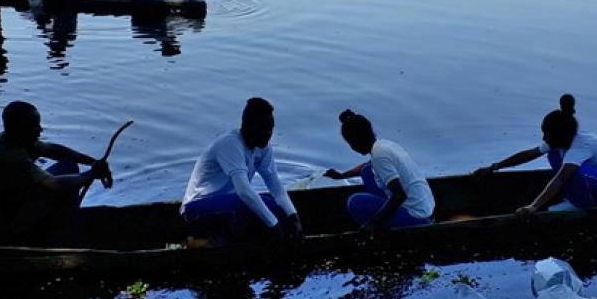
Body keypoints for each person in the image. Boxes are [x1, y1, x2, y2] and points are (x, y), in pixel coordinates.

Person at [0, 101, 112, 246]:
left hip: (14, 204)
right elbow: (54, 184)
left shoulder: (9, 139)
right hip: (5, 229)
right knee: (65, 188)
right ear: (20, 129)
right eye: (34, 126)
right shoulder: (8, 156)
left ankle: (59, 224)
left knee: (68, 166)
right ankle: (57, 235)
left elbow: (53, 150)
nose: (40, 130)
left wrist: (93, 163)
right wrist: (91, 174)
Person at [474, 94, 597, 214]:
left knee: (573, 173)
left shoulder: (583, 144)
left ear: (560, 136)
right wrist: (494, 167)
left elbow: (559, 179)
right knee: (553, 155)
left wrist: (534, 207)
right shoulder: (561, 139)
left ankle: (582, 207)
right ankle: (574, 199)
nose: (544, 138)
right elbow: (528, 154)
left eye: (547, 134)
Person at [181, 98, 302, 242]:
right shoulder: (230, 144)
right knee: (253, 207)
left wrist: (293, 216)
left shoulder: (263, 148)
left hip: (231, 203)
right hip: (196, 209)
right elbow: (244, 190)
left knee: (276, 209)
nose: (269, 133)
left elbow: (275, 186)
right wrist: (273, 225)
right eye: (264, 128)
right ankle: (216, 242)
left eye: (271, 128)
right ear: (249, 126)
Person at [323, 110, 434, 232]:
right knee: (366, 171)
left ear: (355, 143)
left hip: (417, 217)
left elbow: (399, 196)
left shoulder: (379, 156)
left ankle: (381, 233)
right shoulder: (383, 145)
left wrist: (373, 223)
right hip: (425, 208)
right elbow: (366, 166)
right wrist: (341, 175)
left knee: (355, 202)